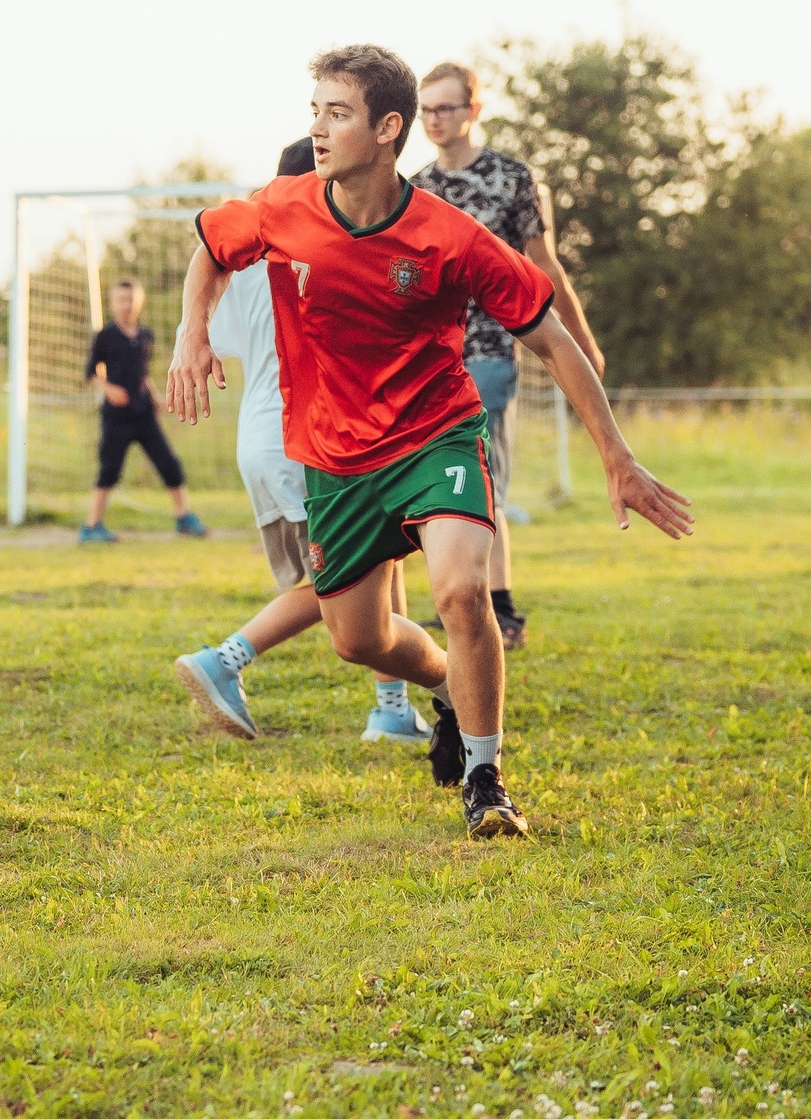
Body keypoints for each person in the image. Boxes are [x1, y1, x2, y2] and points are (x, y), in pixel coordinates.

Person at [167, 46, 692, 838]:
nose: (316, 128)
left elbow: (552, 340)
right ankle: (450, 682)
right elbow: (210, 249)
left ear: (387, 128)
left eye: (336, 113)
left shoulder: (451, 236)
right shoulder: (283, 207)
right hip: (335, 456)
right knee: (359, 640)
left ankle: (486, 779)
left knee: (457, 589)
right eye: (313, 110)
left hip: (436, 435)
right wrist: (190, 334)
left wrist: (616, 455)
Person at [170, 144, 427, 745]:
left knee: (379, 556)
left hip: (261, 442)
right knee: (343, 580)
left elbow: (218, 311)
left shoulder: (248, 263)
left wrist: (191, 333)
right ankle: (225, 659)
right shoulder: (322, 252)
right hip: (308, 439)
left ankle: (392, 708)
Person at [411, 61, 607, 650]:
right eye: (426, 109)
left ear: (474, 110)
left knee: (482, 476)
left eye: (446, 107)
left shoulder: (511, 177)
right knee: (434, 483)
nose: (434, 120)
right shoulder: (416, 188)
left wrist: (582, 341)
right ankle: (460, 599)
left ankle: (500, 607)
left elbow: (544, 265)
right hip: (429, 358)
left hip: (493, 351)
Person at [82, 279, 208, 543]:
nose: (125, 305)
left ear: (139, 302)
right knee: (109, 469)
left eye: (130, 299)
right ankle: (92, 526)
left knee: (169, 464)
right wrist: (110, 390)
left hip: (143, 414)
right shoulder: (105, 336)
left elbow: (142, 372)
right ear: (112, 303)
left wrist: (153, 395)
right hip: (116, 416)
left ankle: (184, 518)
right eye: (120, 300)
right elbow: (90, 372)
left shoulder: (145, 336)